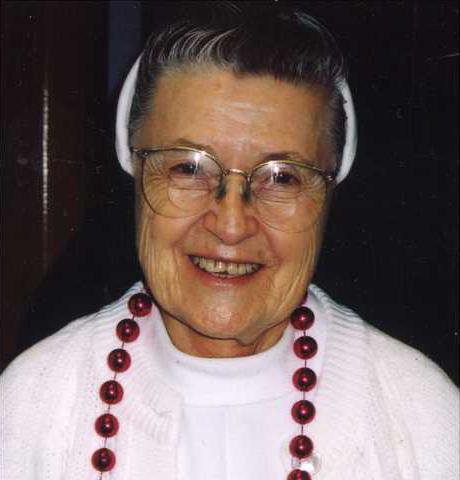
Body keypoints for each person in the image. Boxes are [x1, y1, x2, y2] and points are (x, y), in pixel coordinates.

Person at [1, 4, 458, 480]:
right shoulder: (33, 406)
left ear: (328, 196)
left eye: (282, 177)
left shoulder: (421, 415)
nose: (232, 225)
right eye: (188, 168)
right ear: (134, 170)